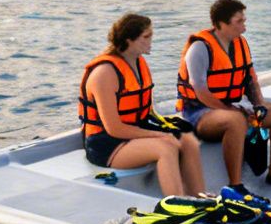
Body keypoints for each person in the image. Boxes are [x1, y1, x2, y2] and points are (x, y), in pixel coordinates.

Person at [177, 0, 271, 189]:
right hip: (200, 114)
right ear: (221, 24)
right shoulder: (199, 48)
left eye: (244, 21)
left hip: (233, 106)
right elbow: (200, 90)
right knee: (236, 120)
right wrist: (231, 110)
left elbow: (250, 80)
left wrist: (259, 105)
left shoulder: (240, 44)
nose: (244, 27)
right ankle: (235, 185)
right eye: (239, 22)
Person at [80, 13, 206, 198]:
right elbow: (114, 128)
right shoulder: (104, 74)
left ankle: (199, 198)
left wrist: (166, 129)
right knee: (165, 148)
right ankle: (177, 205)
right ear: (129, 40)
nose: (151, 41)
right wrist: (160, 135)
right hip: (106, 144)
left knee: (187, 140)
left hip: (133, 131)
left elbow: (145, 113)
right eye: (146, 37)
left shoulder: (138, 63)